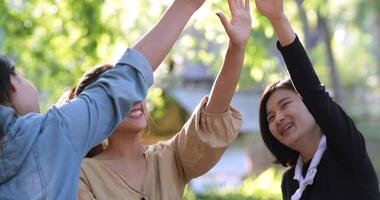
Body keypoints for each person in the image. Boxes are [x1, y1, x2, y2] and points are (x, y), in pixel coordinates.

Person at [0, 0, 208, 199]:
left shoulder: (164, 157)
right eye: (21, 74)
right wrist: (185, 5)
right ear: (13, 85)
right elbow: (125, 80)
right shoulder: (53, 135)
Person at [61, 0, 251, 199]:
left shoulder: (169, 158)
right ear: (98, 114)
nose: (134, 100)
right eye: (119, 97)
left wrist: (237, 48)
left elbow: (212, 117)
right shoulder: (80, 175)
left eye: (136, 90)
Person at [255, 0, 380, 199]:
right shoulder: (290, 182)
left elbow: (313, 92)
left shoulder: (345, 150)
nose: (278, 118)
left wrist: (278, 20)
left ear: (310, 105)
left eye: (285, 104)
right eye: (270, 117)